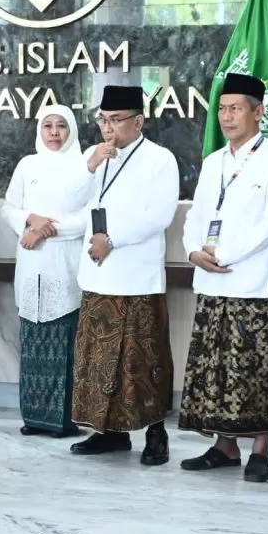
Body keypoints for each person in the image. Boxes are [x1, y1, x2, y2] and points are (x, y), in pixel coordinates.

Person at [177, 74, 268, 482]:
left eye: (236, 108)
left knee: (254, 369)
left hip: (252, 283)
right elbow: (196, 215)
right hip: (211, 282)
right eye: (222, 109)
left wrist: (223, 253)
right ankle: (224, 446)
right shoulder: (214, 162)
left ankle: (260, 449)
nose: (227, 117)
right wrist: (192, 250)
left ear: (258, 112)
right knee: (215, 370)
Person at [69, 85, 178, 465]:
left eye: (116, 120)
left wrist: (111, 239)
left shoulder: (160, 159)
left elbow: (159, 215)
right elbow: (69, 200)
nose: (108, 127)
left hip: (136, 276)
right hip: (98, 276)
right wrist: (90, 165)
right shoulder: (93, 156)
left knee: (142, 360)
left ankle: (156, 433)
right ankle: (108, 432)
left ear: (139, 121)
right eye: (103, 119)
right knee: (99, 360)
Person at [1, 104, 92, 439]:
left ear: (72, 131)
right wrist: (28, 221)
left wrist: (43, 230)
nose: (54, 133)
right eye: (48, 126)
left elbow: (87, 217)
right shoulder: (28, 165)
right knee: (33, 340)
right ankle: (35, 417)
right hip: (30, 263)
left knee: (64, 340)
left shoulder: (85, 166)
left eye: (62, 127)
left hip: (64, 263)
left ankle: (63, 420)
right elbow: (9, 207)